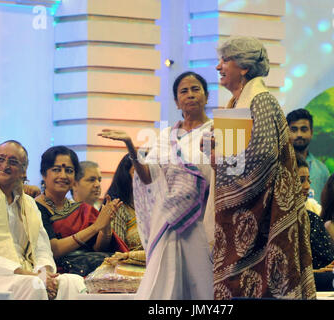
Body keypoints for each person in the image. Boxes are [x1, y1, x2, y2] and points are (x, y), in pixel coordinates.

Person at [213, 36, 316, 299]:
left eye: (225, 60)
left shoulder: (261, 100)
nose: (218, 67)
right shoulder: (235, 104)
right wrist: (213, 152)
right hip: (238, 219)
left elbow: (262, 160)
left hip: (266, 221)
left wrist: (217, 155)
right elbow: (230, 162)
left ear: (244, 68)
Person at [99, 71, 214, 299]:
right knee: (164, 287)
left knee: (201, 286)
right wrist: (130, 144)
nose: (190, 95)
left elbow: (227, 176)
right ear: (176, 101)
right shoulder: (166, 136)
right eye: (184, 91)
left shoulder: (217, 131)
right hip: (167, 221)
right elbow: (147, 177)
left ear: (206, 96)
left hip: (199, 220)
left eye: (195, 89)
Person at [0, 140, 86, 299]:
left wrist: (44, 275)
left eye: (13, 162)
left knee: (73, 282)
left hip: (25, 274)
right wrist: (27, 274)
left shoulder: (29, 204)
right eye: (0, 159)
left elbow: (42, 249)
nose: (5, 165)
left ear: (24, 169)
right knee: (32, 285)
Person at [35, 146, 128, 277]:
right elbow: (53, 249)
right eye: (56, 170)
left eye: (69, 171)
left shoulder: (82, 209)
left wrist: (105, 226)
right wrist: (95, 227)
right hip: (59, 274)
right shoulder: (35, 207)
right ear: (44, 174)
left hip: (89, 269)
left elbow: (98, 249)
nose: (63, 175)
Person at [296, 155, 334, 292]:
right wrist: (314, 272)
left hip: (323, 277)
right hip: (298, 280)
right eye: (301, 180)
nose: (307, 186)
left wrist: (329, 270)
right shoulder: (270, 221)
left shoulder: (311, 219)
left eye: (308, 180)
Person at [286, 108, 330, 203]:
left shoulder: (322, 171)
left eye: (304, 129)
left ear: (312, 132)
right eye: (294, 130)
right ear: (286, 133)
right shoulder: (279, 167)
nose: (299, 134)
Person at [105, 153, 143, 251]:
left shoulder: (153, 206)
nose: (144, 177)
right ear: (125, 176)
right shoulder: (118, 207)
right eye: (137, 172)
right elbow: (117, 251)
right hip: (127, 264)